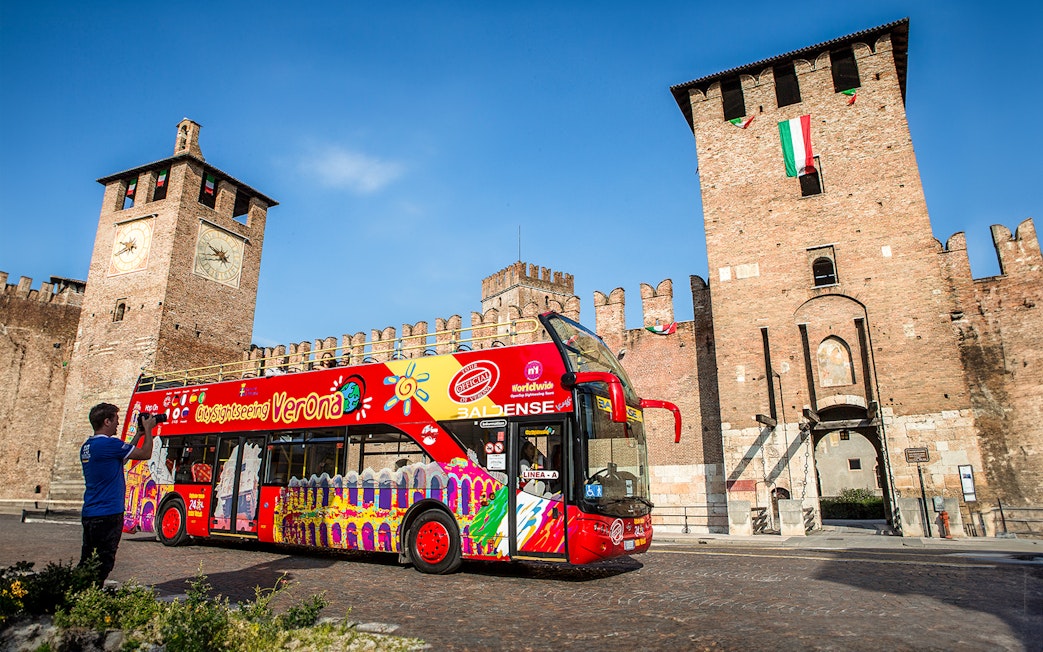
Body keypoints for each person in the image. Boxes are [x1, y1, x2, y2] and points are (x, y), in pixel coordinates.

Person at [79, 403, 155, 583]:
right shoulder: (109, 444)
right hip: (108, 513)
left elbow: (123, 457)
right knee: (104, 560)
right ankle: (91, 595)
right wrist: (150, 430)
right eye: (115, 420)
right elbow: (145, 454)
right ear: (106, 421)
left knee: (88, 558)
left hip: (91, 512)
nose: (118, 424)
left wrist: (138, 435)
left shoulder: (88, 446)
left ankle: (78, 590)